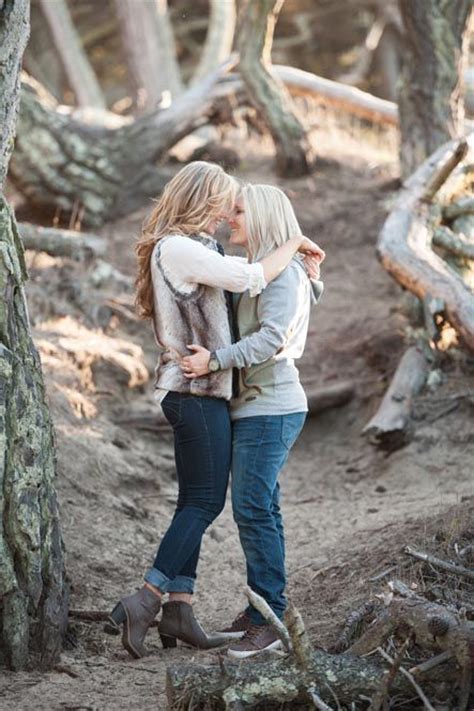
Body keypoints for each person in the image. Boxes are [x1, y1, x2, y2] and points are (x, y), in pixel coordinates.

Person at [104, 162, 324, 659]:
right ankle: (149, 599)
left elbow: (278, 315)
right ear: (202, 198)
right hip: (197, 391)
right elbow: (251, 283)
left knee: (216, 504)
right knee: (207, 503)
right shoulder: (182, 248)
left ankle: (183, 607)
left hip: (233, 397)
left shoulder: (208, 250)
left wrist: (305, 272)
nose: (229, 215)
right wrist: (294, 243)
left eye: (239, 207)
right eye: (226, 203)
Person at [181, 183, 324, 659]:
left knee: (251, 508)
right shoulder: (267, 272)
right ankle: (265, 609)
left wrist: (215, 360)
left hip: (273, 407)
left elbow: (274, 339)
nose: (229, 219)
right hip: (255, 407)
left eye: (239, 211)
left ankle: (271, 618)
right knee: (261, 507)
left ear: (262, 217)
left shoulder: (283, 278)